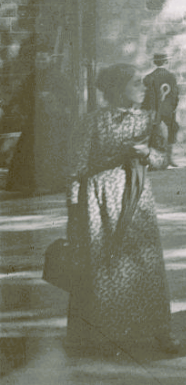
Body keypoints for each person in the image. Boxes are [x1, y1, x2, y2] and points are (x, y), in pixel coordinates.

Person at [65, 63, 179, 356]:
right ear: (117, 89)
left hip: (136, 200)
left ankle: (160, 330)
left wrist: (148, 153)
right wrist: (75, 212)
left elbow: (163, 160)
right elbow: (76, 168)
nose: (143, 88)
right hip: (99, 201)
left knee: (146, 263)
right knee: (105, 267)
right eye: (136, 83)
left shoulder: (150, 120)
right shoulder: (92, 121)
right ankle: (108, 335)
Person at [142, 53, 180, 168]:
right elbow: (175, 94)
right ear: (166, 62)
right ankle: (169, 158)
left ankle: (153, 159)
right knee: (172, 130)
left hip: (154, 110)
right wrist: (174, 107)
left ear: (154, 62)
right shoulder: (171, 76)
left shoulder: (149, 77)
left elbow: (147, 96)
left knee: (153, 133)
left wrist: (148, 109)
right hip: (168, 109)